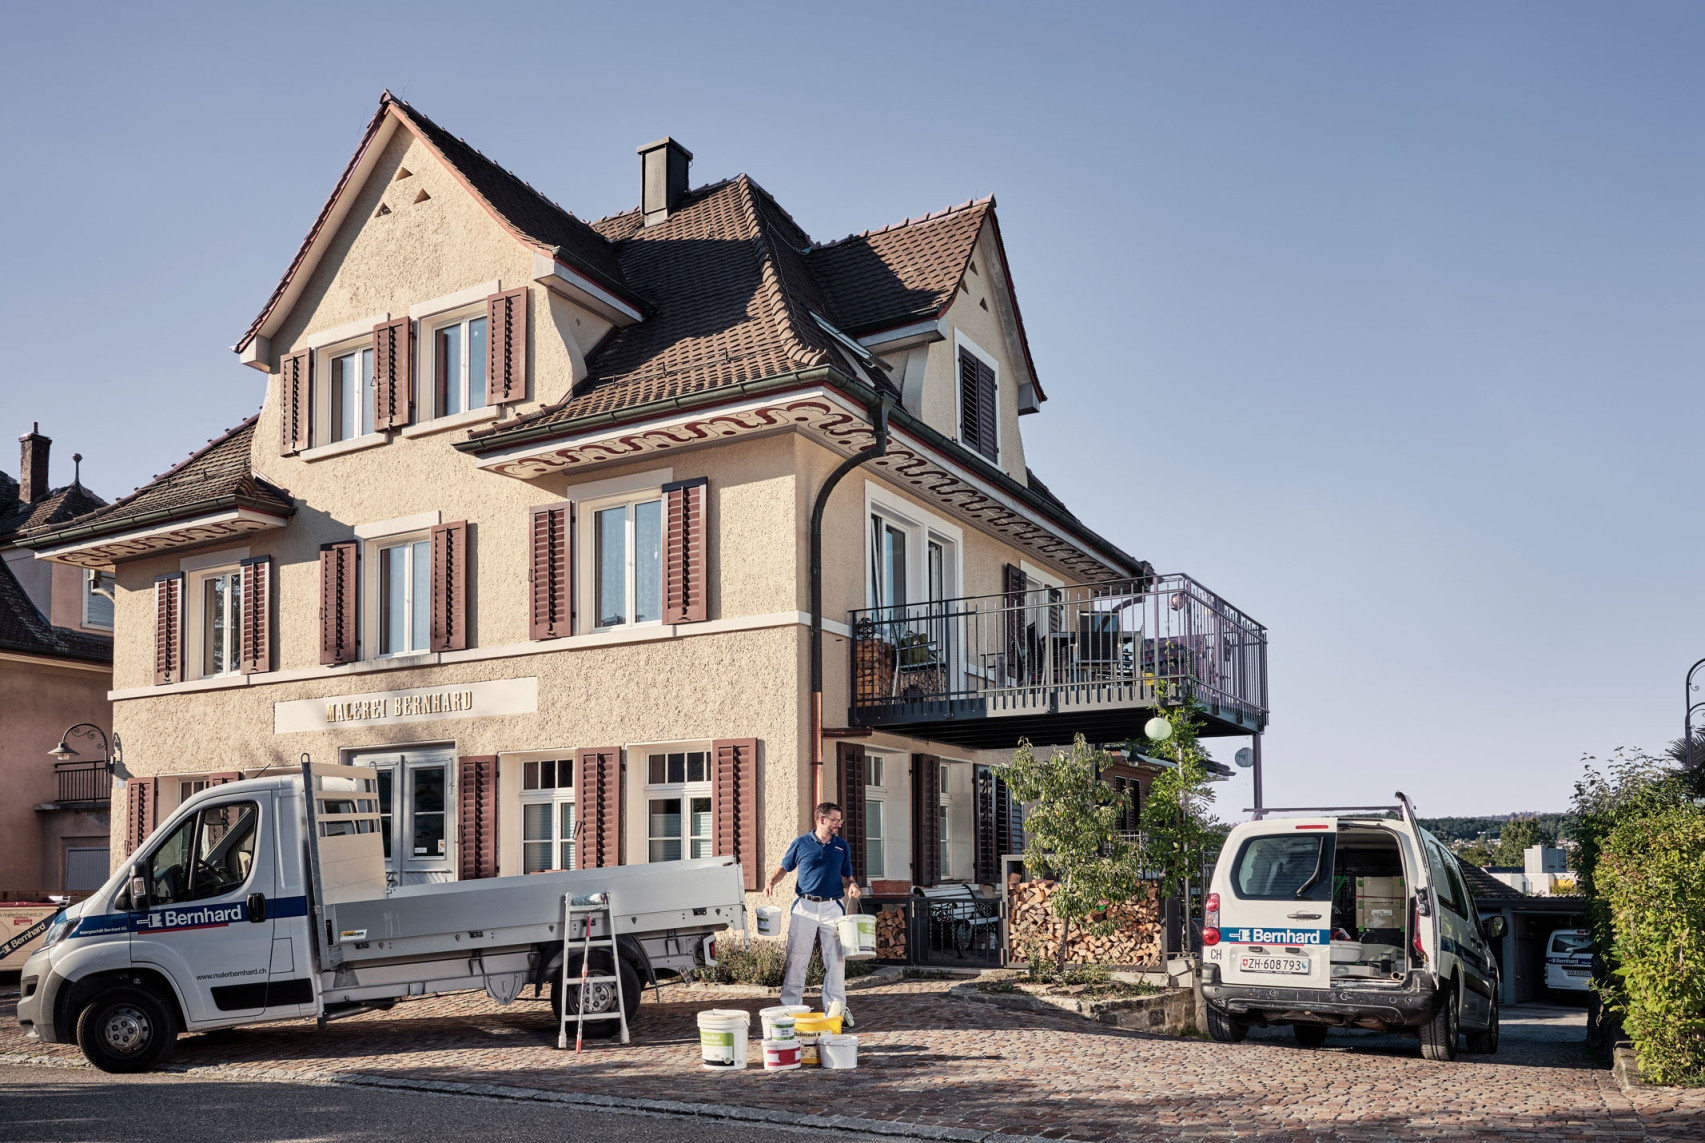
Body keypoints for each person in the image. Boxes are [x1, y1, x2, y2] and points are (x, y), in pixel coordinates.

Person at [767, 801, 862, 1025]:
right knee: (797, 958)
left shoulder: (841, 846)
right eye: (835, 820)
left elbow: (847, 876)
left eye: (840, 820)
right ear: (821, 819)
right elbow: (785, 867)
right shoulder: (801, 843)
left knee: (836, 960)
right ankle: (790, 1010)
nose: (839, 824)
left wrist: (852, 885)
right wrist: (771, 882)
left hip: (832, 907)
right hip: (805, 907)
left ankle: (836, 1010)